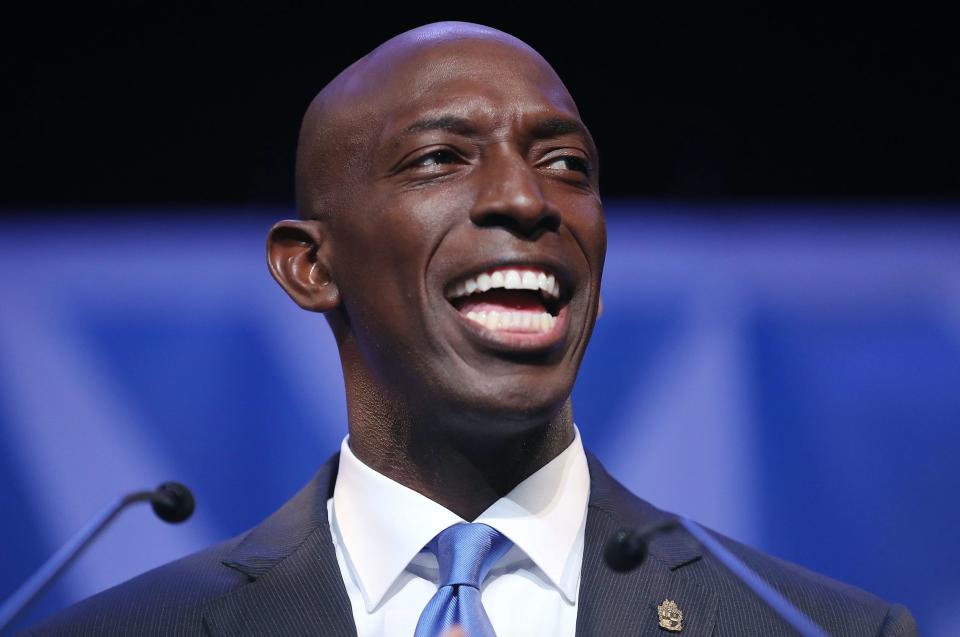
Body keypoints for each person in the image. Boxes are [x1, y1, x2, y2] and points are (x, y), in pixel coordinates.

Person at [25, 21, 916, 637]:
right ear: (311, 266)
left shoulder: (810, 628)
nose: (527, 200)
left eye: (565, 164)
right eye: (440, 159)